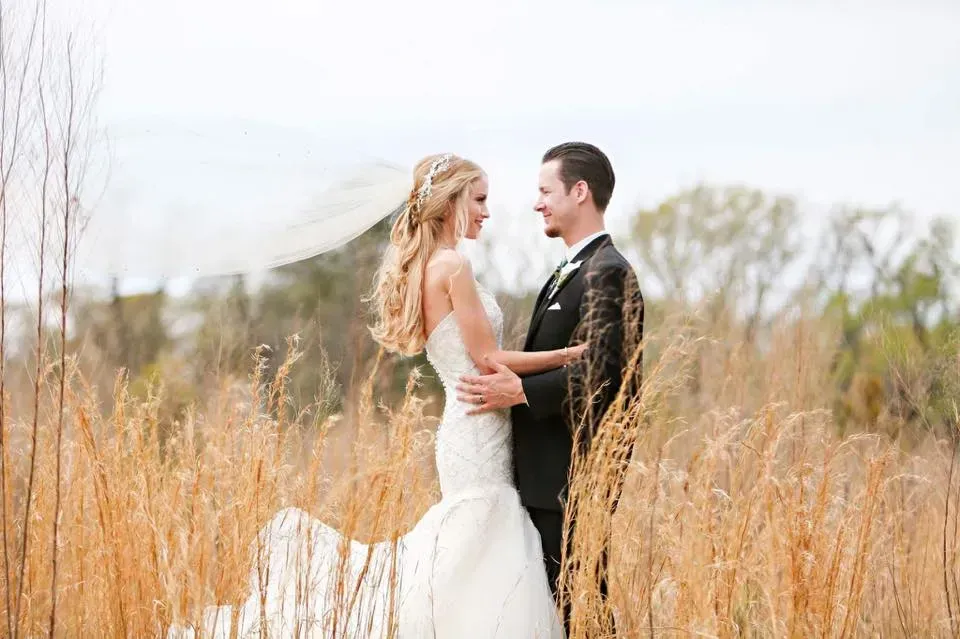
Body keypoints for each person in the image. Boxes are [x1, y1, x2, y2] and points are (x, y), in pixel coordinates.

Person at [168, 153, 574, 638]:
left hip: (465, 425)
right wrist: (570, 355)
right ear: (451, 202)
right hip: (476, 426)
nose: (487, 212)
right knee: (484, 541)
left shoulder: (427, 267)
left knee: (477, 547)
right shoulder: (452, 266)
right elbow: (489, 358)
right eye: (480, 199)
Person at [456, 142, 644, 633]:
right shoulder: (576, 269)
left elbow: (604, 372)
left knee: (582, 614)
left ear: (579, 192)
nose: (537, 202)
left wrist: (518, 392)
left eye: (546, 191)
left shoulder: (609, 271)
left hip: (572, 480)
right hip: (545, 480)